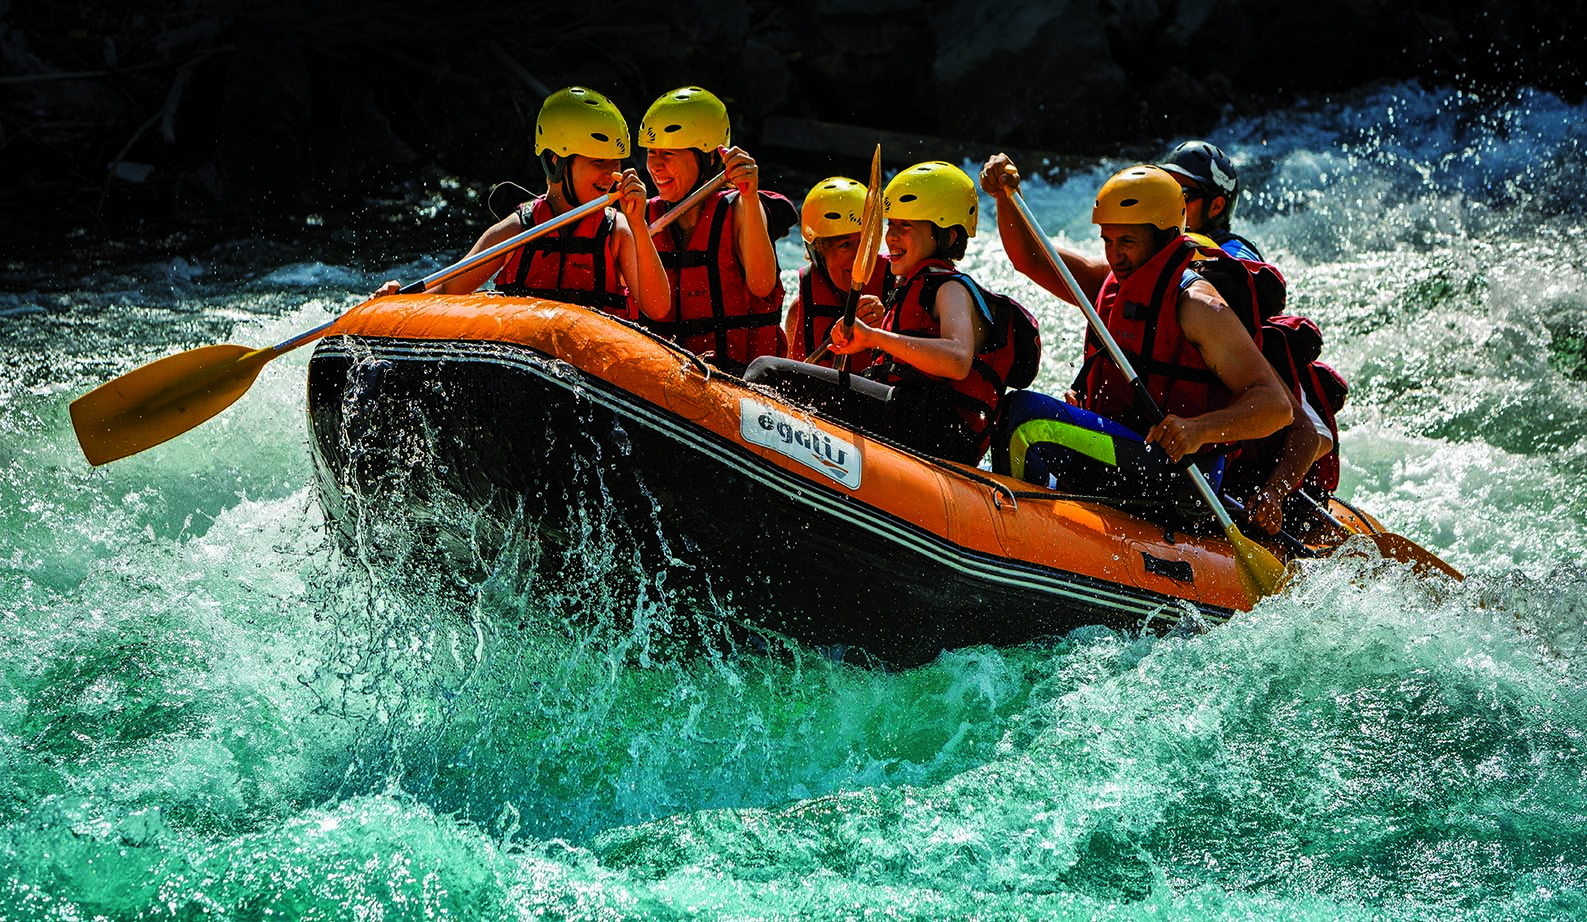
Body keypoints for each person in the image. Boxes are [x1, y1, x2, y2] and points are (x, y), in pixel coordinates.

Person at [980, 154, 1294, 519]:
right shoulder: (1112, 282)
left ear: (1162, 236)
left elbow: (1277, 406)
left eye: (1126, 241)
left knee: (1024, 416)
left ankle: (1019, 532)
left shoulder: (1197, 305)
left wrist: (1196, 430)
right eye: (1107, 240)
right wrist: (1004, 197)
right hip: (1128, 456)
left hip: (1181, 475)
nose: (1115, 255)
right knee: (1015, 411)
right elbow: (1030, 258)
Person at [375, 86, 667, 320]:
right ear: (557, 161)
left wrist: (638, 224)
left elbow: (657, 307)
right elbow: (448, 287)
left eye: (615, 162)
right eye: (598, 162)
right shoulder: (517, 229)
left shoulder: (617, 230)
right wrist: (395, 303)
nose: (611, 173)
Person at [827, 161, 1021, 465]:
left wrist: (875, 337)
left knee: (768, 372)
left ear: (948, 237)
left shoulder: (950, 288)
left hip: (935, 431)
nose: (891, 236)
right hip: (913, 420)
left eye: (906, 226)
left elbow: (958, 360)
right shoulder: (908, 287)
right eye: (891, 224)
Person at [638, 85, 798, 375]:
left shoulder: (740, 207)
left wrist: (750, 197)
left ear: (709, 157)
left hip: (737, 380)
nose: (656, 166)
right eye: (652, 152)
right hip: (666, 376)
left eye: (669, 154)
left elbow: (762, 284)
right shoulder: (642, 216)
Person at [783, 176, 888, 368]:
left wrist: (888, 327)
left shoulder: (899, 293)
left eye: (866, 243)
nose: (860, 257)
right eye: (845, 245)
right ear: (819, 252)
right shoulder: (798, 313)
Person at [1159, 139, 1264, 263]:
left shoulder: (1234, 255)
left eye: (1184, 193)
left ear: (1216, 206)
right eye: (1168, 190)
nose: (1172, 201)